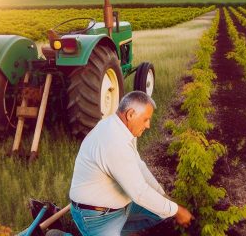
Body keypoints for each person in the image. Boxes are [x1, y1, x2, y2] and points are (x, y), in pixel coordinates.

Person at [69, 91, 194, 236]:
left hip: (123, 206)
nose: (148, 125)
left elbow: (139, 165)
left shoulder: (122, 129)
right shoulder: (114, 141)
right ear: (130, 114)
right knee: (166, 209)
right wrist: (178, 211)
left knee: (161, 211)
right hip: (98, 217)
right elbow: (139, 193)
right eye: (146, 119)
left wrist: (162, 194)